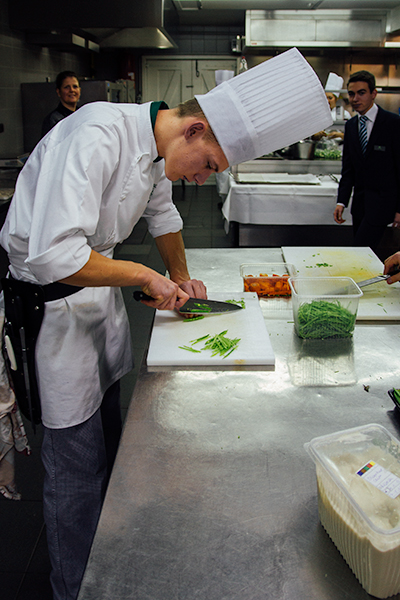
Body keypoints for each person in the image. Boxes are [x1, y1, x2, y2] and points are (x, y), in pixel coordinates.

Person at [0, 47, 331, 600]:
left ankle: (102, 553)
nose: (203, 179)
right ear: (195, 129)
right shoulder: (98, 134)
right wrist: (142, 275)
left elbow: (163, 215)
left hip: (96, 307)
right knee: (74, 470)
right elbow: (52, 256)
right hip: (53, 313)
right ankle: (74, 587)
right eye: (208, 165)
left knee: (105, 441)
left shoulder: (153, 149)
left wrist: (181, 275)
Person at [333, 70, 400, 252]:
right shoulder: (351, 126)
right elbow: (348, 170)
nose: (355, 98)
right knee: (365, 255)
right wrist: (342, 202)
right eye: (352, 94)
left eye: (361, 93)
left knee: (360, 251)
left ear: (373, 94)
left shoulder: (393, 123)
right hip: (360, 206)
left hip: (384, 205)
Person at [41, 71, 81, 137]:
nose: (72, 90)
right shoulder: (52, 120)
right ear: (58, 92)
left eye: (75, 86)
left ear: (80, 90)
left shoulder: (83, 114)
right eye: (67, 87)